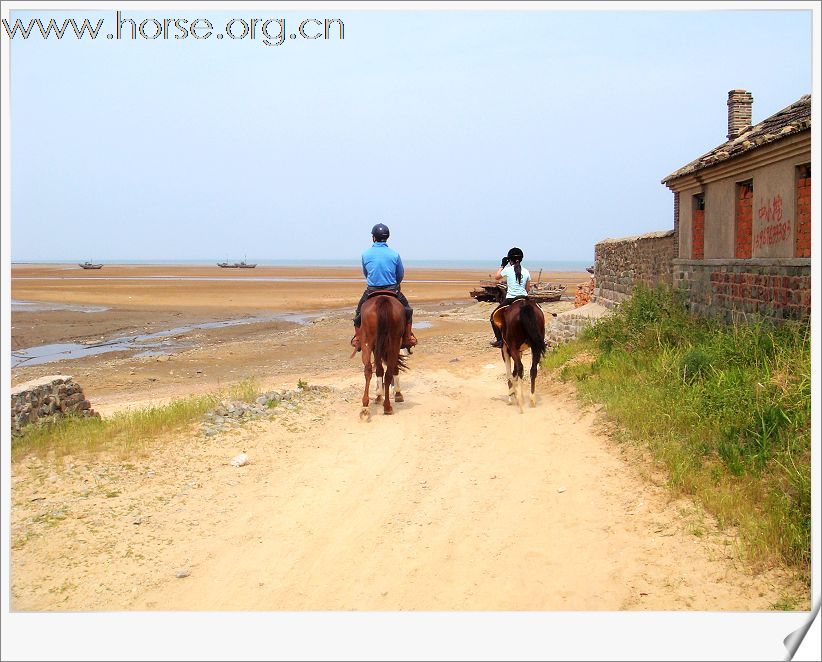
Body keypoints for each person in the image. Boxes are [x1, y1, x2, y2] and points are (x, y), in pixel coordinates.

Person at [351, 223, 417, 352]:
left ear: (373, 237)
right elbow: (400, 274)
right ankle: (408, 337)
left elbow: (366, 273)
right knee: (407, 311)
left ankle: (358, 338)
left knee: (359, 313)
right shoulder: (394, 254)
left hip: (372, 290)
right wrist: (395, 284)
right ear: (387, 237)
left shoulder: (366, 254)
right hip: (392, 289)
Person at [489, 246, 531, 348]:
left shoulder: (507, 270)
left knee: (493, 317)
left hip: (511, 299)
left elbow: (497, 277)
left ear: (510, 260)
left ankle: (500, 340)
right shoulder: (526, 271)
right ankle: (540, 337)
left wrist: (502, 265)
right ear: (521, 259)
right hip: (524, 297)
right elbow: (527, 289)